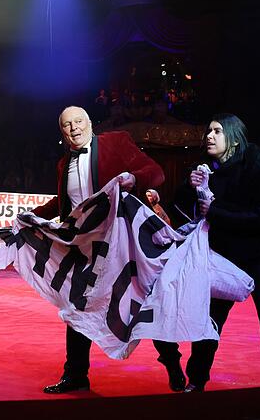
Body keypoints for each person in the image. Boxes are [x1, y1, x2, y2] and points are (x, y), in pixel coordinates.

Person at [153, 114, 260, 392]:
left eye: (217, 131)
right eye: (208, 130)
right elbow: (183, 212)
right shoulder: (207, 168)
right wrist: (189, 187)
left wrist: (217, 213)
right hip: (222, 257)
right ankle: (195, 383)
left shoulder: (254, 159)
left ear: (233, 136)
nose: (209, 135)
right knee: (207, 323)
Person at [33, 106, 166, 394]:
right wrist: (33, 217)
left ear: (90, 123)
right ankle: (76, 375)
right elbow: (63, 206)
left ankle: (172, 362)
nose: (74, 128)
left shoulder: (115, 142)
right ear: (62, 133)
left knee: (144, 302)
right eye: (67, 125)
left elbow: (156, 172)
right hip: (85, 248)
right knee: (76, 307)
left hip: (123, 244)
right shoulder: (62, 164)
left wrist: (134, 179)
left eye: (78, 121)